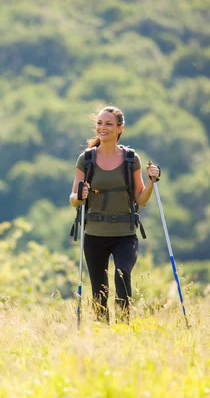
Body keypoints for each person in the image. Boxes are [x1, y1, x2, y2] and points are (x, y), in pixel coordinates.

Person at [69, 106, 160, 324]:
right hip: (94, 234)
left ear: (120, 128)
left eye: (108, 124)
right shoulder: (86, 159)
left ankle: (123, 327)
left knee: (122, 275)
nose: (103, 128)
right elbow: (73, 199)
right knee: (99, 290)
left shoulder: (131, 159)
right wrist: (79, 195)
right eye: (100, 123)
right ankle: (102, 332)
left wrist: (151, 182)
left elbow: (140, 200)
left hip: (125, 234)